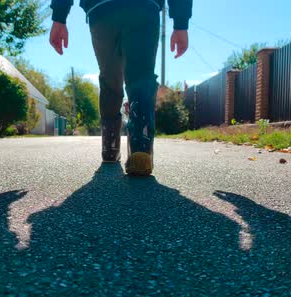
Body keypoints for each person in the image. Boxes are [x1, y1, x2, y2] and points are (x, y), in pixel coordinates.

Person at [49, 0, 193, 176]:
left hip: (101, 10)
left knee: (110, 79)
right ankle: (140, 147)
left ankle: (110, 148)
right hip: (143, 9)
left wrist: (59, 17)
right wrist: (180, 23)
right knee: (140, 76)